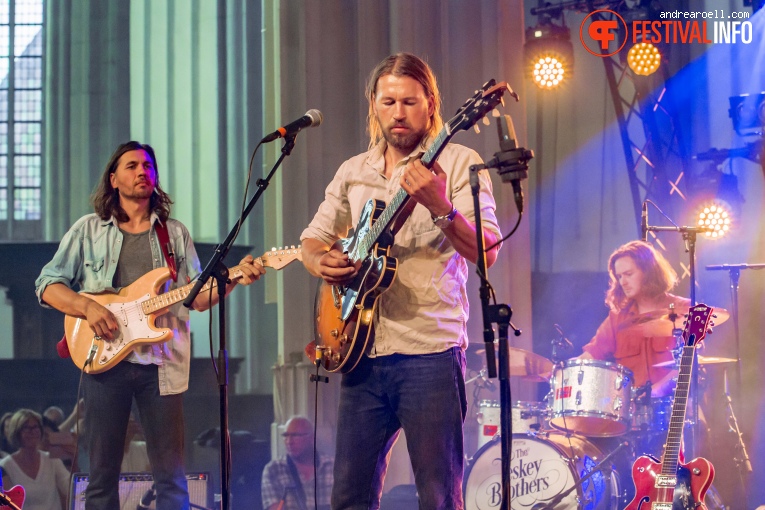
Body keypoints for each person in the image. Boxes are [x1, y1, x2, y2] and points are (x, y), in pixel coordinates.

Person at [301, 53, 501, 509]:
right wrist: (321, 262)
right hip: (362, 351)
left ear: (431, 103)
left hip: (429, 353)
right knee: (349, 495)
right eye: (388, 101)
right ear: (374, 104)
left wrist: (440, 206)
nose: (398, 112)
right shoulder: (354, 171)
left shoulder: (458, 161)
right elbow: (312, 239)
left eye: (409, 101)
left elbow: (488, 251)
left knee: (437, 493)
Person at [34, 141, 265, 510]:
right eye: (131, 165)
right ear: (113, 179)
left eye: (147, 165)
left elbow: (197, 296)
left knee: (171, 478)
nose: (142, 171)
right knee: (101, 478)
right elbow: (47, 285)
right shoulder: (88, 230)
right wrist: (86, 307)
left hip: (161, 365)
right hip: (104, 363)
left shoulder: (173, 233)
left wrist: (234, 277)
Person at [578, 240, 689, 397]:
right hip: (633, 411)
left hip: (676, 404)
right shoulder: (617, 318)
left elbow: (691, 363)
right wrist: (558, 370)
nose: (623, 282)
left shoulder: (685, 309)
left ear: (649, 272)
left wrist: (657, 391)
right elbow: (592, 354)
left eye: (629, 274)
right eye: (619, 276)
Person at [0, 409, 69, 510]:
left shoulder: (52, 460)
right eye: (26, 428)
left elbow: (70, 489)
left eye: (35, 427)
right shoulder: (5, 466)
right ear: (16, 432)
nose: (32, 432)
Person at [261, 416, 333, 510]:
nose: (289, 441)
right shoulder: (273, 470)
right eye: (286, 435)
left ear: (311, 438)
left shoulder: (332, 466)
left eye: (295, 435)